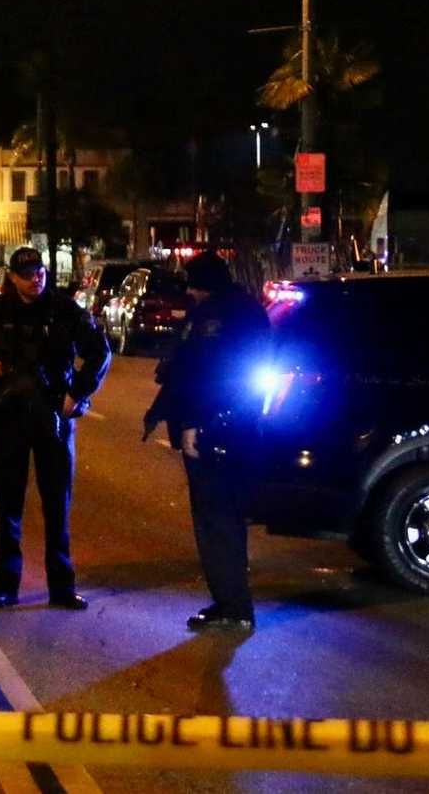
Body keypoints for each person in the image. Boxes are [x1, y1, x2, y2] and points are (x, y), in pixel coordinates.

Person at [0, 246, 111, 610]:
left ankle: (61, 587)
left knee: (57, 506)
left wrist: (77, 392)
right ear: (13, 277)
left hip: (53, 418)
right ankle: (6, 586)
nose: (36, 279)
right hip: (8, 418)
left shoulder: (63, 310)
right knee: (8, 506)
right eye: (27, 274)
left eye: (40, 272)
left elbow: (100, 351)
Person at [144, 253, 272, 633]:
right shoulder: (246, 310)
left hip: (214, 431)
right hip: (235, 428)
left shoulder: (217, 315)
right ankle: (232, 601)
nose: (190, 292)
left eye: (194, 285)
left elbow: (204, 375)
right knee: (225, 518)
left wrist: (195, 425)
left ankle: (232, 606)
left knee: (216, 521)